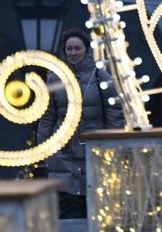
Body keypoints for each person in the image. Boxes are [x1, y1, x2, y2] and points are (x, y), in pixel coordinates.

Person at [36, 29, 125, 219]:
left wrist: (112, 145)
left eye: (77, 48)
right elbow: (47, 116)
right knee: (68, 208)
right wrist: (43, 147)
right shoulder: (54, 79)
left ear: (86, 50)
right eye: (69, 48)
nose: (73, 52)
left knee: (96, 208)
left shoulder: (102, 77)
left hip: (95, 152)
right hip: (64, 153)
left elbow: (114, 116)